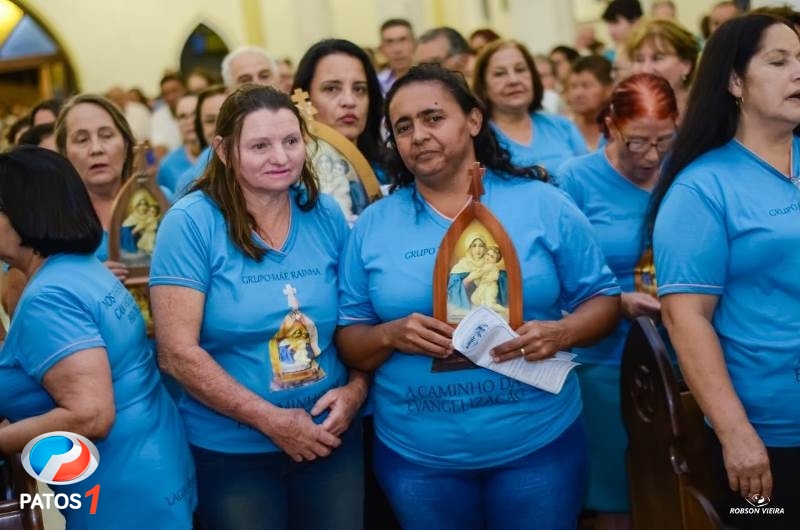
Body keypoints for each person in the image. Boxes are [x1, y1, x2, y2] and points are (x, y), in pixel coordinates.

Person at [337, 64, 621, 530]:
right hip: (419, 457)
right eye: (403, 127)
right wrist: (390, 334)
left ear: (473, 120)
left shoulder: (541, 203)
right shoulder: (374, 224)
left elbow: (604, 300)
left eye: (433, 118)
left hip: (538, 443)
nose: (418, 135)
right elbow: (351, 340)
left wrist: (563, 330)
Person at [150, 84, 367, 530]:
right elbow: (176, 352)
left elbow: (360, 320)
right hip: (233, 451)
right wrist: (271, 420)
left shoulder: (324, 214)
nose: (281, 157)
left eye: (291, 141)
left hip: (330, 436)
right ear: (224, 151)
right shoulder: (191, 223)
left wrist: (356, 392)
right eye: (260, 145)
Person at [650, 14, 800, 529]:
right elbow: (685, 318)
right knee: (769, 522)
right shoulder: (702, 189)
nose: (798, 72)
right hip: (769, 436)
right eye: (779, 62)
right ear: (735, 82)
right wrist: (736, 433)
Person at [0, 146, 195, 529]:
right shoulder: (81, 266)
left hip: (119, 487)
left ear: (22, 212)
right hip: (156, 456)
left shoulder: (49, 297)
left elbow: (91, 415)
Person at [557, 73, 678, 530]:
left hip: (682, 345)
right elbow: (560, 274)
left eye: (663, 141)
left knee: (680, 483)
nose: (651, 156)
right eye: (636, 143)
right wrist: (615, 301)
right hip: (605, 356)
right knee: (614, 495)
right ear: (610, 125)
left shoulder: (686, 166)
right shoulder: (576, 179)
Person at [293, 38, 388, 212]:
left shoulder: (389, 169)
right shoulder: (292, 177)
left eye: (359, 89)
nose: (349, 101)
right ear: (305, 100)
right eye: (331, 89)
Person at [473, 39, 588, 177]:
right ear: (483, 86)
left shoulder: (563, 126)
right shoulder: (477, 139)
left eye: (520, 70)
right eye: (500, 73)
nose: (513, 80)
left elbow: (588, 182)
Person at [627, 17, 699, 121]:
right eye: (639, 60)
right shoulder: (623, 117)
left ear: (686, 65)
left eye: (657, 58)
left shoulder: (707, 114)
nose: (646, 70)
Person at [566, 55, 614, 150]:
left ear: (609, 89)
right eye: (573, 86)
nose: (577, 94)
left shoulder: (620, 130)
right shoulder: (563, 129)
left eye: (586, 86)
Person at [377, 18, 416, 94]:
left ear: (414, 44)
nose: (397, 49)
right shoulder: (376, 84)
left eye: (403, 40)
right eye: (389, 42)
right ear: (382, 49)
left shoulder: (431, 81)